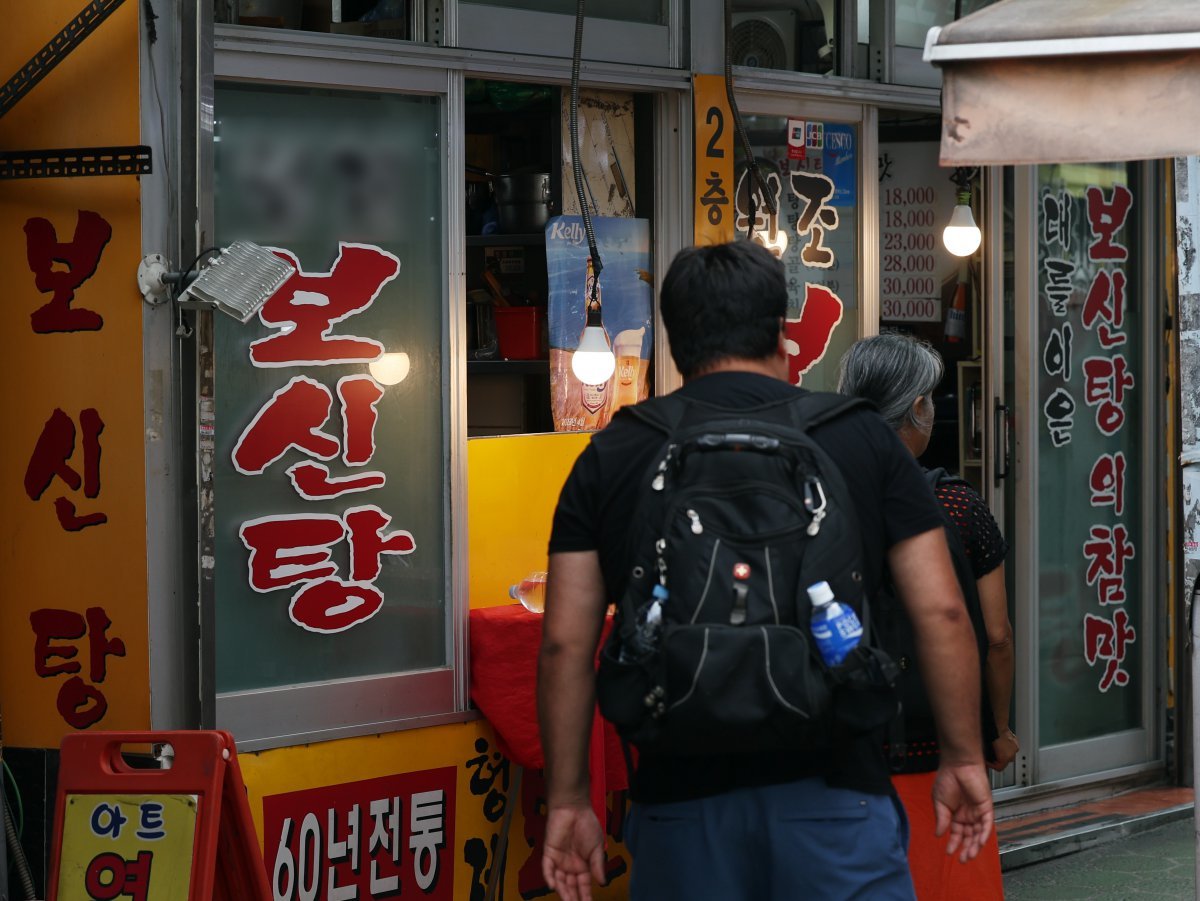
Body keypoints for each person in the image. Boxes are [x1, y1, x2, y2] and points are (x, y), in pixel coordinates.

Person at [537, 241, 993, 901]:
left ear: (673, 341)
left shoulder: (617, 451)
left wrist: (569, 798)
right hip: (838, 798)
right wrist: (963, 756)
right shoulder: (860, 437)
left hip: (679, 806)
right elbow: (942, 611)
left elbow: (564, 644)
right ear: (783, 335)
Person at [838, 331, 1017, 900]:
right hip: (944, 754)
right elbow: (996, 636)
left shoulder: (817, 491)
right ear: (918, 408)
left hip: (844, 751)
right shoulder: (956, 504)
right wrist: (998, 731)